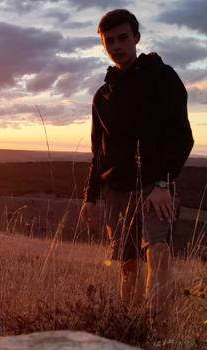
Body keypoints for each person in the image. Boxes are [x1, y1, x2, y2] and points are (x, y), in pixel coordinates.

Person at [81, 9, 194, 320]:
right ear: (103, 44)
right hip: (116, 190)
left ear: (136, 38)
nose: (117, 46)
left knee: (158, 252)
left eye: (123, 38)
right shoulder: (103, 95)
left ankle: (158, 331)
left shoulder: (162, 77)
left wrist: (162, 183)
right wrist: (89, 198)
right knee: (127, 263)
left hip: (154, 186)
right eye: (109, 41)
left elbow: (182, 136)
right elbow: (98, 153)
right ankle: (128, 329)